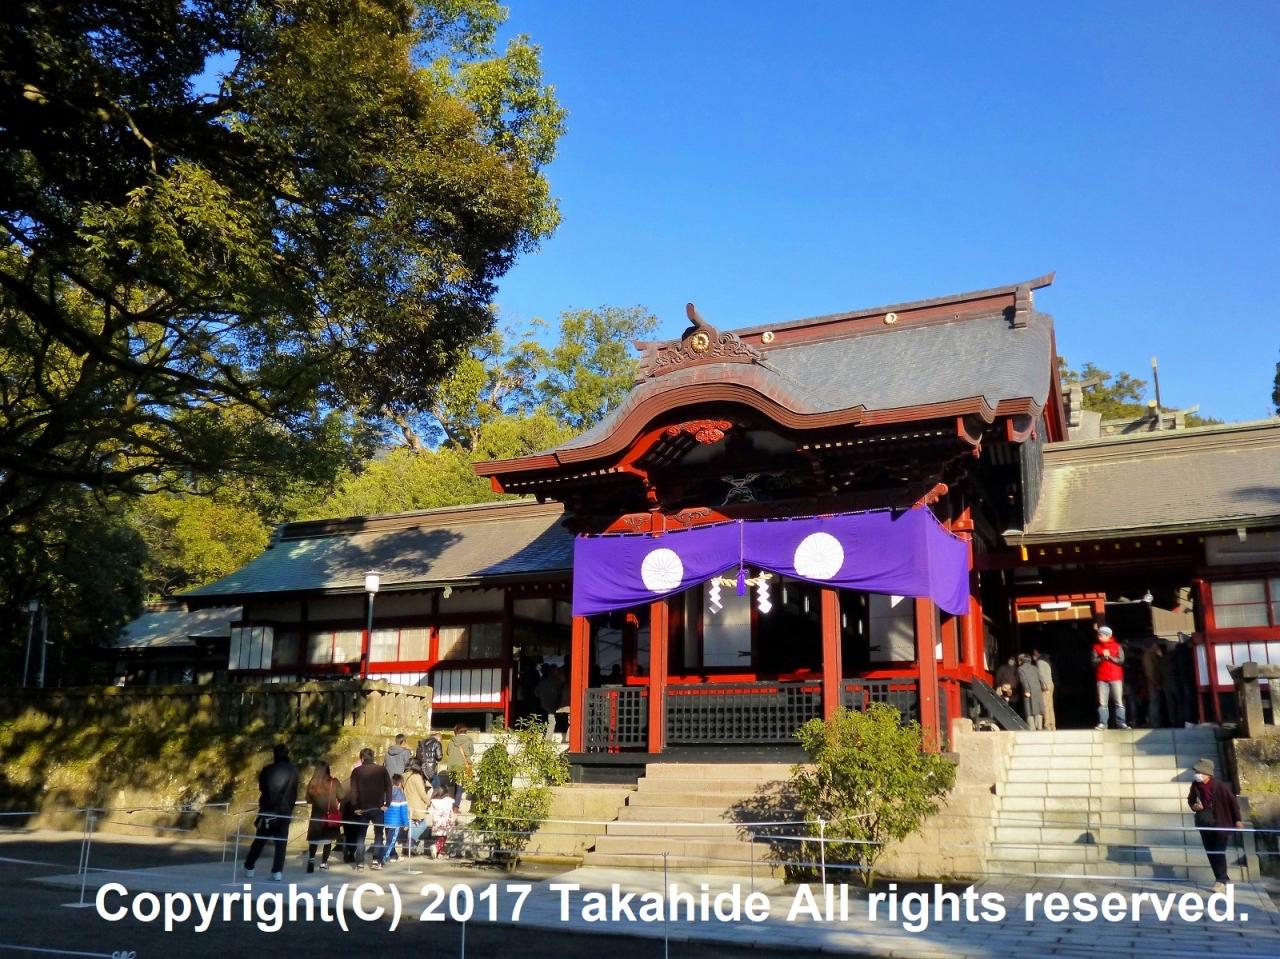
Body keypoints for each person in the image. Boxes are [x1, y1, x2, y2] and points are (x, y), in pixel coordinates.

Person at [243, 743, 299, 881]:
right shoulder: (294, 770)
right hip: (285, 810)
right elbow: (293, 790)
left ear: (274, 755)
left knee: (260, 840)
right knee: (281, 843)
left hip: (268, 808)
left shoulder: (267, 770)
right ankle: (277, 871)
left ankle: (249, 866)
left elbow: (262, 788)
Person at [1188, 758, 1242, 892]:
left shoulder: (1220, 786)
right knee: (1211, 852)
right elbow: (1191, 800)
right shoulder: (1195, 785)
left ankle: (1220, 881)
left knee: (1218, 851)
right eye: (1196, 772)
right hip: (1205, 822)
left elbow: (1233, 802)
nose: (1197, 774)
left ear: (1207, 773)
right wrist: (1194, 806)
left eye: (1199, 772)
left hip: (1221, 823)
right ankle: (1223, 878)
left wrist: (1238, 819)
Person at [349, 746, 392, 870]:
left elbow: (354, 791)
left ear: (362, 759)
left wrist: (355, 806)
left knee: (361, 835)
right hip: (378, 807)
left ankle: (360, 863)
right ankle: (376, 860)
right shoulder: (381, 770)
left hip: (362, 808)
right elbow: (389, 787)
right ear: (373, 757)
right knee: (378, 834)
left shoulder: (356, 771)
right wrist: (387, 803)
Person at [304, 762, 344, 873]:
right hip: (329, 816)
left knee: (314, 840)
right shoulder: (333, 782)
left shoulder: (312, 783)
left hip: (316, 816)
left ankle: (311, 860)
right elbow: (342, 795)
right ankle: (323, 863)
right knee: (327, 841)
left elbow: (308, 799)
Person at [1092, 625, 1128, 729]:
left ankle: (1121, 722)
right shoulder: (1096, 647)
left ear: (1108, 636)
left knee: (1119, 701)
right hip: (1102, 678)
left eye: (1101, 635)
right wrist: (1103, 657)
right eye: (1099, 635)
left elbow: (1121, 660)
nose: (1099, 637)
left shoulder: (1117, 646)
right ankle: (1103, 723)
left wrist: (1110, 657)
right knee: (1102, 702)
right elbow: (1093, 662)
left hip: (1116, 678)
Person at [381, 773, 410, 864]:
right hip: (395, 822)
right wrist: (406, 823)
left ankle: (394, 856)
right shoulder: (401, 795)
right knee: (391, 841)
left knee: (390, 840)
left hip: (386, 821)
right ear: (400, 783)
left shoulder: (386, 794)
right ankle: (382, 858)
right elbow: (403, 811)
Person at [404, 759, 432, 854]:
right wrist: (428, 802)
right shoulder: (416, 777)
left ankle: (411, 846)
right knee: (423, 823)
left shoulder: (405, 775)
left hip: (407, 803)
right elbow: (422, 793)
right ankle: (410, 842)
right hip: (416, 804)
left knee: (412, 824)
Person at [445, 723, 474, 811]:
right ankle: (456, 806)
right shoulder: (468, 740)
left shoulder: (452, 740)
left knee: (456, 784)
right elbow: (471, 752)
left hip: (452, 766)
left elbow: (448, 752)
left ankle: (454, 801)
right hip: (462, 766)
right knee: (460, 787)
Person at [1015, 653, 1046, 730]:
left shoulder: (1020, 669)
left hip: (1029, 689)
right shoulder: (1034, 668)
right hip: (1037, 689)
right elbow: (1040, 678)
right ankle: (1039, 726)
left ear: (1021, 660)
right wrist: (1044, 687)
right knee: (1038, 708)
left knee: (1029, 708)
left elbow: (1023, 680)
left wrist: (1026, 690)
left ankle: (1032, 727)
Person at [427, 784, 456, 858]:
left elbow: (430, 812)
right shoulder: (449, 801)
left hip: (437, 822)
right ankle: (436, 846)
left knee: (440, 837)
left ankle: (441, 853)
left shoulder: (434, 801)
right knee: (443, 837)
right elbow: (451, 812)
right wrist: (452, 821)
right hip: (445, 822)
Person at [1159, 641, 1184, 727]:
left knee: (1170, 705)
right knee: (1180, 703)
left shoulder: (1162, 658)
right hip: (1175, 682)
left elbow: (1159, 671)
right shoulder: (1176, 657)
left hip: (1166, 684)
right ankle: (1180, 722)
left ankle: (1173, 722)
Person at [1032, 649, 1056, 731]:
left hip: (1045, 685)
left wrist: (1044, 686)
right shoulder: (1047, 660)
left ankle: (1047, 725)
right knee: (1050, 706)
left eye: (1034, 653)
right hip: (1050, 684)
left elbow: (1041, 675)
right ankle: (1052, 725)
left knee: (1045, 706)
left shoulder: (1040, 662)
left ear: (1037, 652)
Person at [1142, 642, 1164, 728]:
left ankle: (1156, 722)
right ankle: (1155, 723)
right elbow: (1150, 672)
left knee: (1155, 702)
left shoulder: (1151, 655)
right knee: (1154, 702)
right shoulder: (1148, 656)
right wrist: (1156, 683)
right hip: (1153, 683)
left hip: (1154, 682)